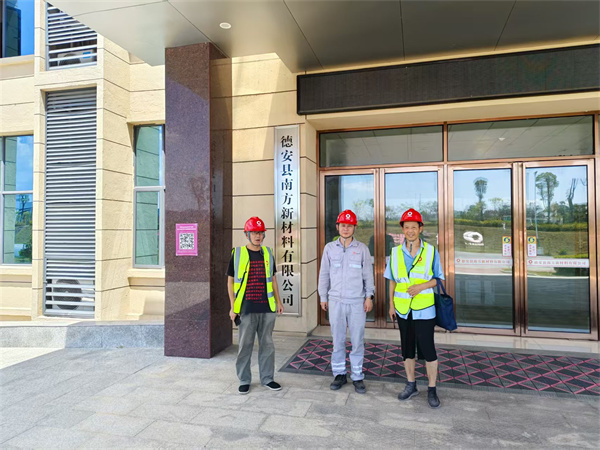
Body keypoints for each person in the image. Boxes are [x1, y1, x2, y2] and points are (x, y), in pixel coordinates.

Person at [385, 208, 445, 408]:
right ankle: (411, 384)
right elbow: (392, 280)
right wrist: (391, 305)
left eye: (414, 227)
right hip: (403, 309)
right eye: (406, 227)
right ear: (402, 229)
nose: (410, 230)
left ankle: (432, 388)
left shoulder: (431, 251)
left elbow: (438, 279)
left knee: (428, 349)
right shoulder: (395, 252)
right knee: (407, 348)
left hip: (424, 309)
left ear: (420, 228)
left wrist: (421, 286)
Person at [318, 209, 375, 394]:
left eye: (349, 226)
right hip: (336, 301)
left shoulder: (362, 249)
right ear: (337, 227)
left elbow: (368, 275)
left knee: (357, 340)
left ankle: (357, 376)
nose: (346, 229)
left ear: (354, 228)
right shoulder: (329, 248)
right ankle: (340, 374)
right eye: (343, 225)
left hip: (357, 302)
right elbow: (324, 274)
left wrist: (369, 297)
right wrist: (323, 297)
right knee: (338, 340)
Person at [227, 216, 284, 395]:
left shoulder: (267, 253)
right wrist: (232, 307)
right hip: (246, 308)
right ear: (247, 234)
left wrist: (278, 301)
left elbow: (273, 279)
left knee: (267, 345)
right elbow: (230, 282)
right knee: (245, 346)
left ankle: (267, 378)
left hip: (267, 308)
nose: (258, 236)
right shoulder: (237, 254)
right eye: (254, 233)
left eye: (260, 233)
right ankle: (244, 379)